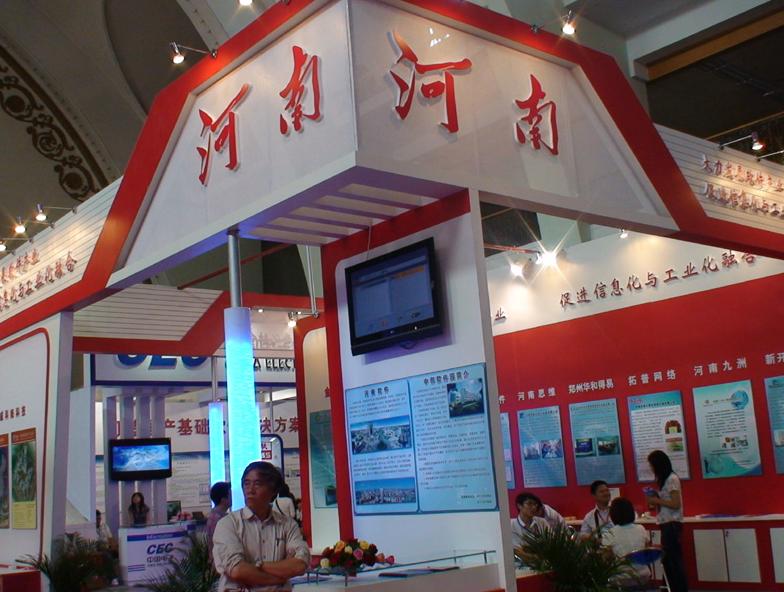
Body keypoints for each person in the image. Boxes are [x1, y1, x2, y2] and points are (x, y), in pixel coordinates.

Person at [212, 461, 309, 591]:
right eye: (247, 484)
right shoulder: (228, 524)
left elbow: (299, 565)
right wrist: (279, 576)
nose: (250, 490)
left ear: (273, 490)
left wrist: (259, 566)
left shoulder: (287, 525)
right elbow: (237, 570)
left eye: (257, 484)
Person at [646, 450, 688, 592]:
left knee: (673, 561)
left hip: (672, 524)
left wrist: (656, 500)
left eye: (651, 465)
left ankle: (677, 588)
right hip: (666, 523)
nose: (651, 468)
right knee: (668, 560)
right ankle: (669, 587)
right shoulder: (664, 480)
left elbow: (675, 504)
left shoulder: (671, 479)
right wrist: (656, 498)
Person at [602, 497, 650, 586]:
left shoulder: (610, 533)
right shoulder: (641, 528)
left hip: (621, 578)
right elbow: (647, 551)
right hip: (643, 576)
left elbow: (605, 558)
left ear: (613, 515)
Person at [510, 492, 550, 563]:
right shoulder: (511, 525)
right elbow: (518, 551)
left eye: (535, 504)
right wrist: (536, 558)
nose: (534, 507)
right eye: (529, 504)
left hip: (544, 562)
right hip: (521, 564)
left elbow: (551, 543)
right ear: (519, 506)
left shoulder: (542, 522)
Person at [206, 482, 231, 561]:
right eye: (230, 495)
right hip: (223, 562)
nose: (232, 498)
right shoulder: (220, 519)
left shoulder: (213, 515)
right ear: (223, 499)